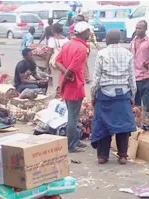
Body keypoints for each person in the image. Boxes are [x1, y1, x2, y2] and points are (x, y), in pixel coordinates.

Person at [90, 29, 137, 165]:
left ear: (108, 39)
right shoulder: (128, 54)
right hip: (123, 94)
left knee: (103, 126)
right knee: (123, 126)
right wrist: (132, 95)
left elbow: (96, 78)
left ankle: (103, 156)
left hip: (105, 95)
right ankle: (122, 155)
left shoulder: (101, 54)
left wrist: (93, 94)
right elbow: (132, 80)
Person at [55, 21, 91, 153]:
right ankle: (71, 145)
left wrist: (64, 77)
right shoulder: (81, 49)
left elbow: (57, 62)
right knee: (73, 116)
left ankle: (75, 140)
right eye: (88, 31)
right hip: (74, 86)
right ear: (83, 33)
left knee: (73, 115)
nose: (90, 33)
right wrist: (63, 82)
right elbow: (71, 70)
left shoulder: (67, 44)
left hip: (69, 84)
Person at [46, 23, 69, 93]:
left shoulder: (52, 40)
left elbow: (49, 53)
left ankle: (57, 93)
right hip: (64, 62)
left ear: (53, 30)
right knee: (62, 78)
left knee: (56, 79)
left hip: (55, 62)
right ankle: (63, 93)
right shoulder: (66, 40)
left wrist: (47, 65)